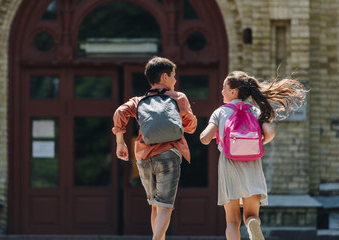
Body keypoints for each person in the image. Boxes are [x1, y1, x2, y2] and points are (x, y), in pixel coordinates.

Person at [200, 71, 307, 240]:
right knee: (251, 215)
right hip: (252, 165)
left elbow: (205, 138)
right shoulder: (255, 110)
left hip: (229, 166)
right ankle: (252, 224)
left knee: (232, 222)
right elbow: (270, 132)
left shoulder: (220, 112)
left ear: (233, 91)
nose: (221, 92)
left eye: (224, 88)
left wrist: (218, 136)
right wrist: (253, 145)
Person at [112, 56, 197, 240]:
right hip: (169, 155)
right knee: (165, 206)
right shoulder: (178, 97)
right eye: (174, 76)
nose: (175, 80)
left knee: (155, 205)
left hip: (143, 157)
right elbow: (191, 127)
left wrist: (120, 142)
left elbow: (120, 112)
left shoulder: (138, 100)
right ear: (165, 77)